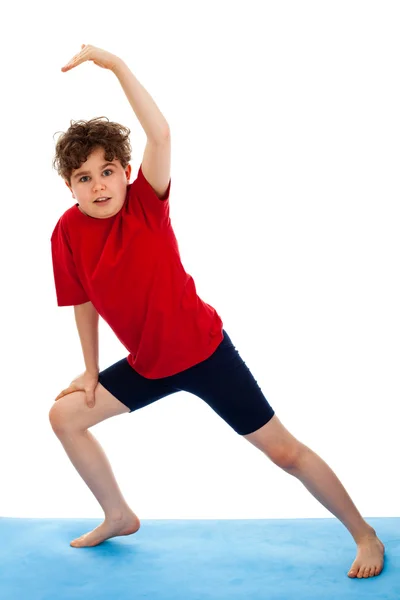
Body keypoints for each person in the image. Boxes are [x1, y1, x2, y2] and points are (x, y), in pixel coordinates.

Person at [49, 44, 384, 579]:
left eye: (107, 171)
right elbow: (82, 300)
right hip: (147, 364)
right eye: (83, 178)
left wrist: (114, 66)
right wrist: (90, 370)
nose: (98, 185)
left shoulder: (145, 203)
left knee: (283, 453)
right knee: (65, 417)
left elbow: (161, 134)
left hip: (204, 353)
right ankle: (118, 514)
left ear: (126, 172)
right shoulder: (66, 232)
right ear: (69, 187)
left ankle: (364, 533)